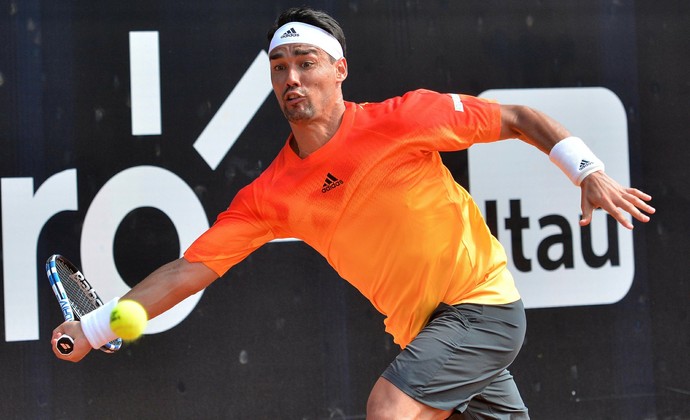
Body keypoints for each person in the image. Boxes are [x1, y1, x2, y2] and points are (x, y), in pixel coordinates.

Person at [52, 6, 655, 419]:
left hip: (483, 308)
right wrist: (97, 327)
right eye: (280, 68)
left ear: (339, 69)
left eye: (306, 64)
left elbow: (520, 119)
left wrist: (589, 171)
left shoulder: (405, 118)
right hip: (424, 335)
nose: (292, 79)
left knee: (387, 406)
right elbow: (189, 271)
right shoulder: (271, 195)